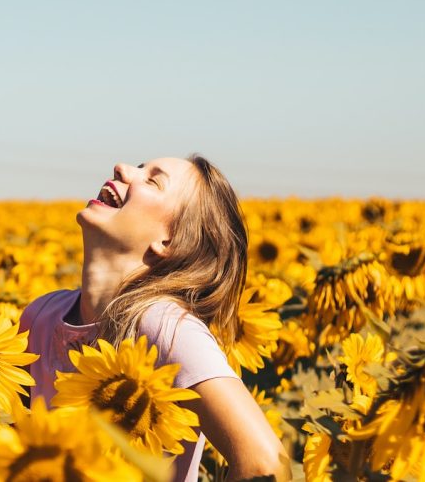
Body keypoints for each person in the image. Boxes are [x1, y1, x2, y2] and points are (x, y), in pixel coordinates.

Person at [20, 156, 287, 481]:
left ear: (168, 243)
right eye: (139, 166)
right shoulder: (41, 316)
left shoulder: (165, 327)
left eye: (152, 180)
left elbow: (265, 463)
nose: (121, 168)